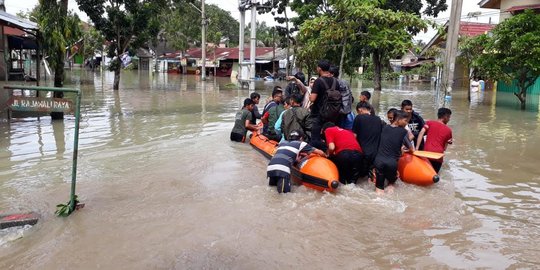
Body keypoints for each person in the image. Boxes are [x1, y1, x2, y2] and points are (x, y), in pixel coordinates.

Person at [372, 110, 414, 194]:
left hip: (378, 161)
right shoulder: (403, 132)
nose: (406, 123)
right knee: (391, 185)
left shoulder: (383, 128)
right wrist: (404, 149)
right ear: (398, 119)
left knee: (379, 188)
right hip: (391, 163)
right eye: (405, 121)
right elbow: (411, 148)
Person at [309, 59, 336, 150]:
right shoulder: (335, 81)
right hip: (332, 114)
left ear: (319, 69)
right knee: (328, 136)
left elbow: (312, 99)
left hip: (319, 114)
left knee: (315, 139)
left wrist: (309, 96)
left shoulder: (318, 81)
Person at [416, 108, 453, 173]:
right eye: (449, 117)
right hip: (438, 157)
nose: (449, 119)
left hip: (426, 154)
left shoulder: (429, 123)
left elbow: (421, 133)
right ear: (445, 117)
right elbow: (444, 148)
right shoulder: (448, 130)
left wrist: (416, 148)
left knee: (424, 174)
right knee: (434, 177)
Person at [352, 102, 383, 178]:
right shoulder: (378, 119)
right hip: (375, 154)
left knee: (360, 177)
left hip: (363, 153)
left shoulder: (359, 118)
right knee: (370, 177)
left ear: (360, 110)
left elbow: (354, 136)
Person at [329, 65, 354, 129]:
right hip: (347, 109)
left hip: (339, 111)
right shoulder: (345, 82)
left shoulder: (334, 83)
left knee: (338, 128)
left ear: (332, 74)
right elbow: (350, 95)